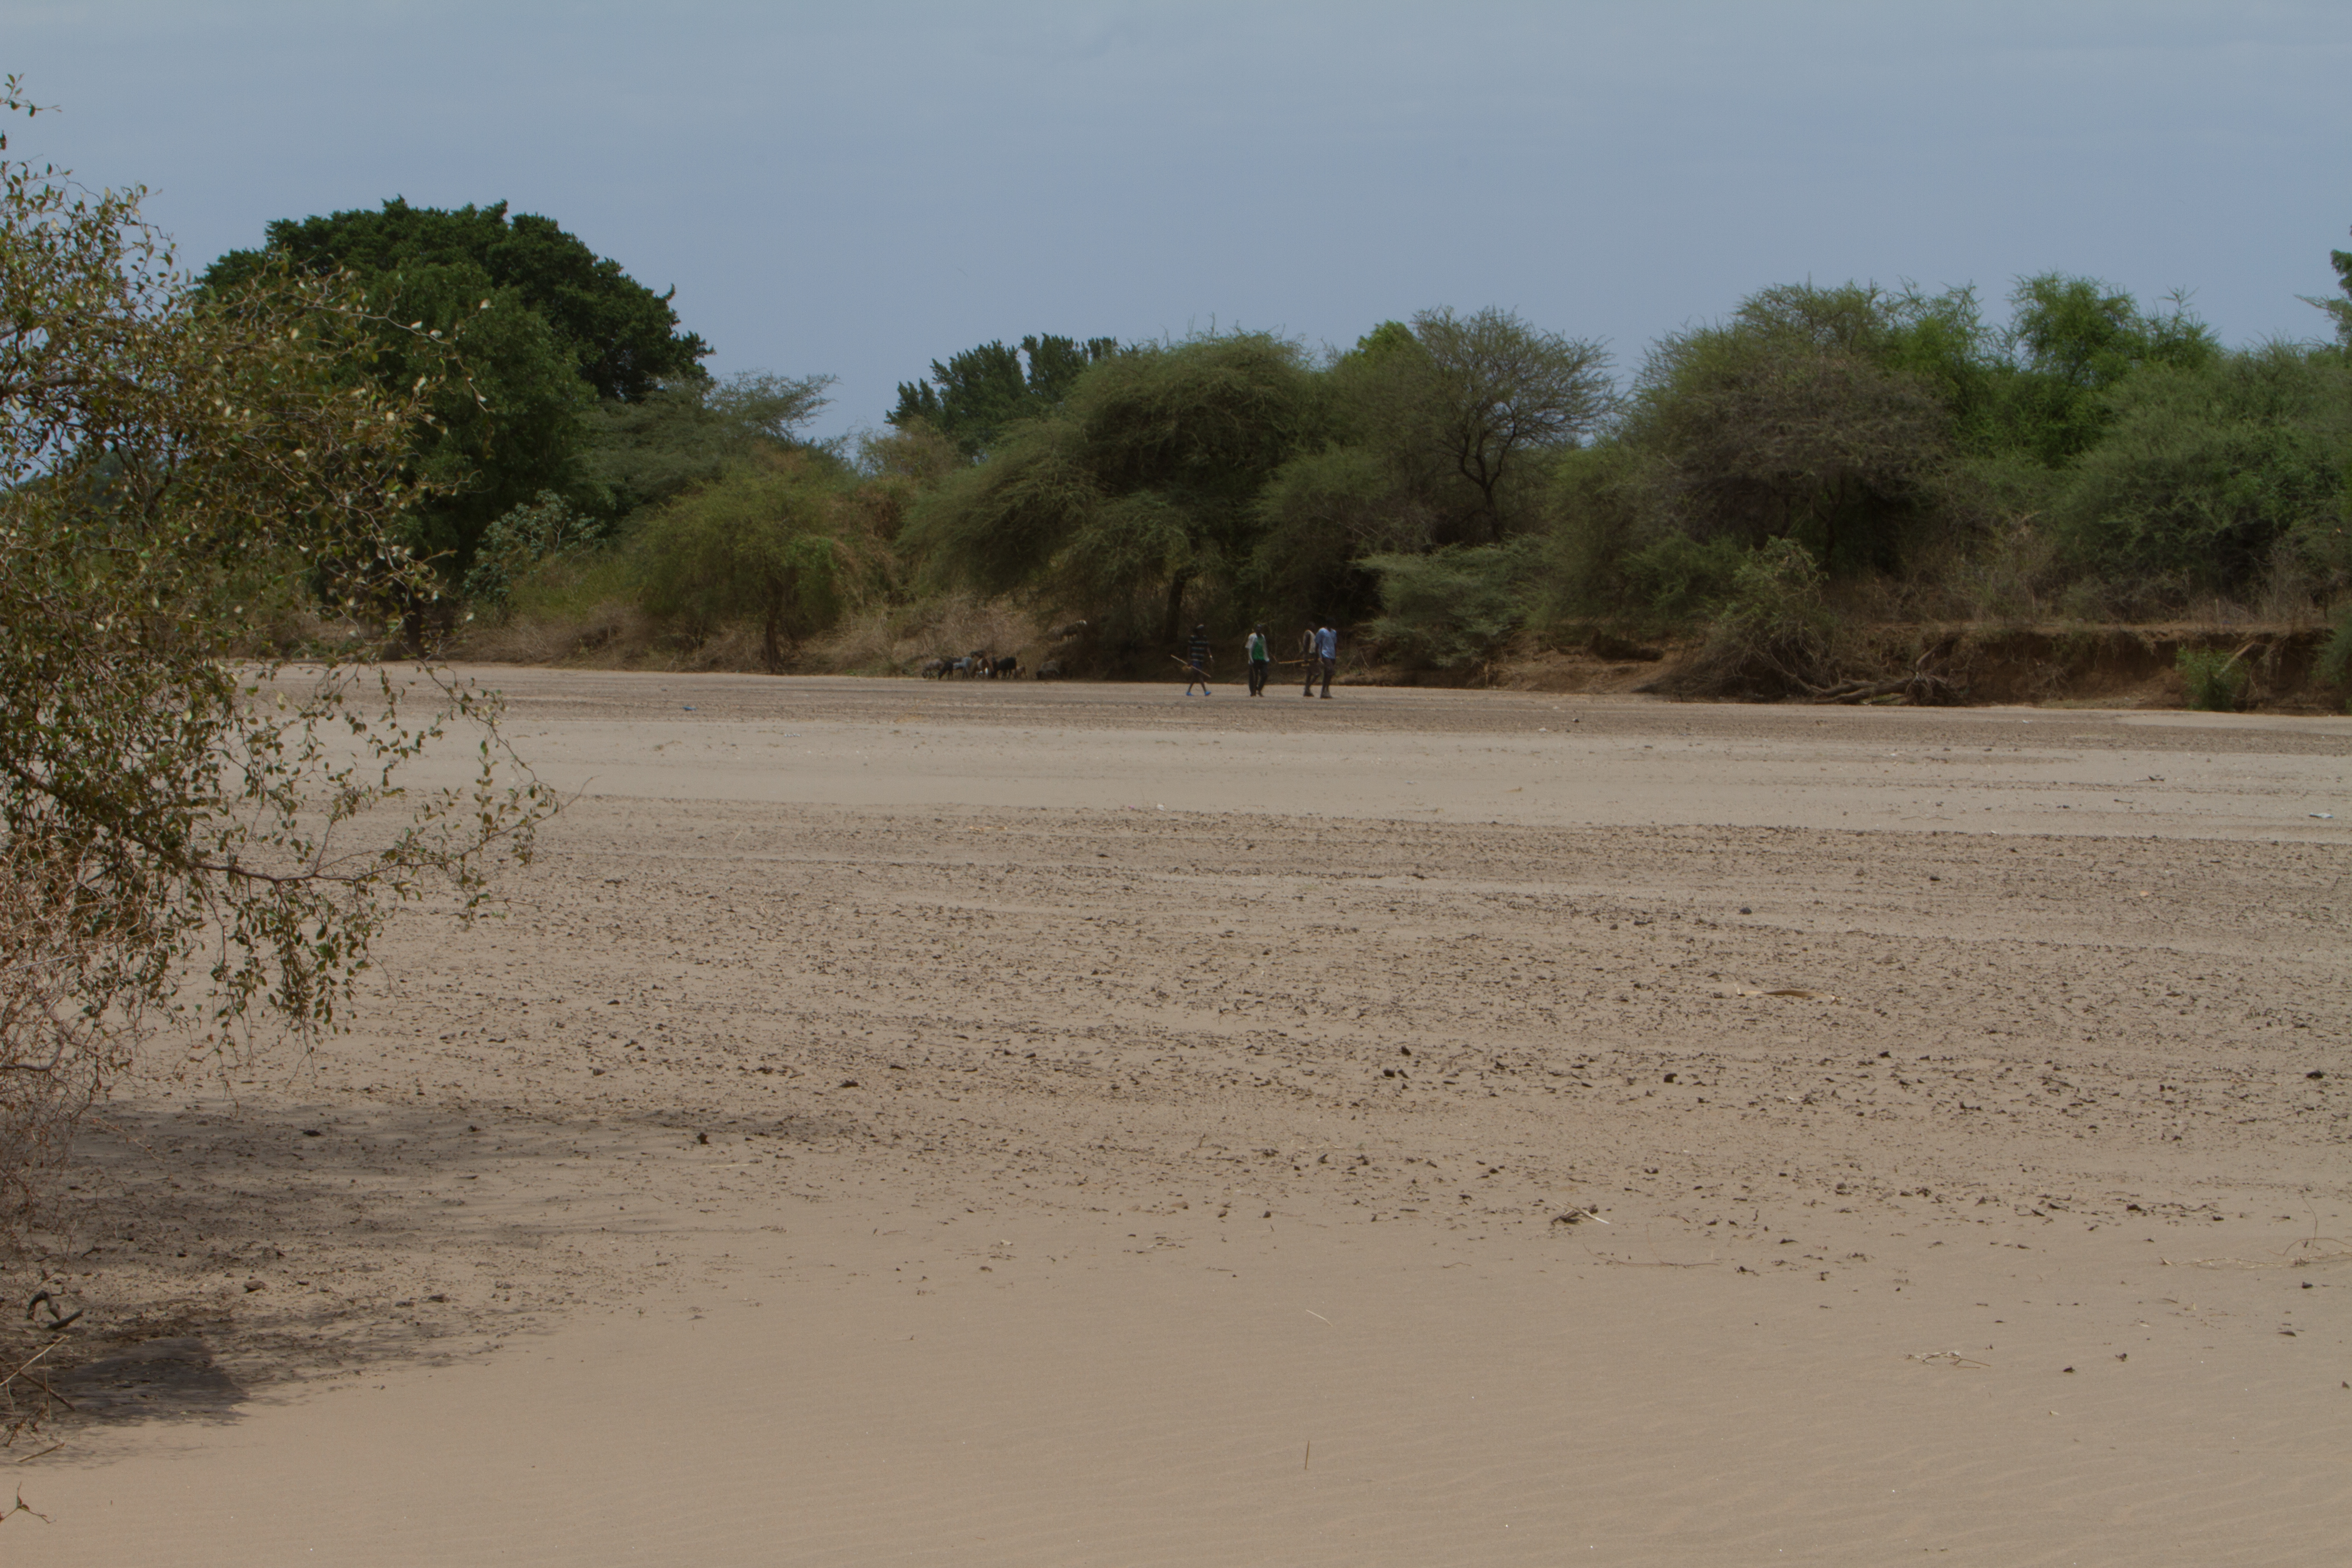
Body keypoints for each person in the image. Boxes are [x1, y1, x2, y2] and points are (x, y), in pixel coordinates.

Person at [1304, 622, 1336, 698]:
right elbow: (1306, 645)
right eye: (1313, 626)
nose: (1314, 627)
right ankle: (1307, 688)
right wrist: (1306, 656)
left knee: (1309, 674)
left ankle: (1307, 691)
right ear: (1309, 627)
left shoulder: (1313, 634)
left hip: (1313, 654)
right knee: (1317, 673)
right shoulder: (1308, 633)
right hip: (1311, 655)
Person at [1183, 622, 1214, 696]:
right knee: (1199, 674)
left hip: (1201, 659)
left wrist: (1211, 657)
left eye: (1202, 630)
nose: (1201, 632)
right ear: (1197, 631)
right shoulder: (1193, 638)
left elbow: (1207, 648)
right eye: (1200, 630)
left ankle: (1188, 691)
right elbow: (1189, 648)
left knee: (1195, 675)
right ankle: (1205, 691)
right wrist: (1189, 659)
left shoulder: (1204, 638)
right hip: (1195, 658)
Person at [1245, 624, 1270, 696]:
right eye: (1258, 628)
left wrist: (1267, 658)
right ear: (1255, 629)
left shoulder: (1263, 637)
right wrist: (1251, 660)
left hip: (1262, 659)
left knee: (1265, 674)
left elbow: (1265, 648)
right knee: (1254, 677)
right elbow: (1249, 649)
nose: (1259, 629)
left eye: (1260, 628)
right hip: (1254, 659)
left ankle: (1259, 689)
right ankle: (1253, 692)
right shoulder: (1252, 637)